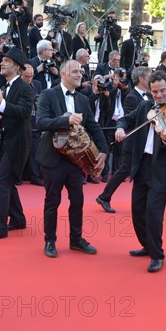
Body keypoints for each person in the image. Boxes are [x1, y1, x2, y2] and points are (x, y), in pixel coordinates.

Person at [115, 71, 166, 273]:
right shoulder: (144, 106)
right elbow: (126, 120)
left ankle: (157, 255)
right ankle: (147, 246)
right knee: (137, 211)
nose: (158, 95)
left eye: (162, 91)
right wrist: (120, 128)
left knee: (153, 214)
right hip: (142, 165)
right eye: (154, 91)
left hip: (161, 169)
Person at [35, 59, 108, 258]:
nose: (80, 75)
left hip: (77, 160)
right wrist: (65, 120)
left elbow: (93, 125)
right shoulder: (48, 94)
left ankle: (76, 239)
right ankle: (50, 241)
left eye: (81, 72)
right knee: (52, 201)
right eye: (75, 71)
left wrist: (104, 149)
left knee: (77, 201)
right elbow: (40, 122)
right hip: (53, 158)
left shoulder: (83, 99)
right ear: (63, 73)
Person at [0, 48, 34, 240]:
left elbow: (24, 112)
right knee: (7, 183)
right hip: (6, 140)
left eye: (7, 61)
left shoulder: (25, 88)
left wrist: (1, 104)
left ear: (17, 67)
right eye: (2, 61)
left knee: (0, 183)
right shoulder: (4, 86)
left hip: (18, 143)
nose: (2, 64)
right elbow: (7, 114)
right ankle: (18, 218)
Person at [96, 66, 152, 214]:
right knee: (123, 171)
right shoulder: (132, 97)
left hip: (145, 142)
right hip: (133, 141)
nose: (152, 80)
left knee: (139, 172)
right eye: (149, 77)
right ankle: (104, 197)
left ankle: (143, 201)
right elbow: (134, 119)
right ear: (141, 79)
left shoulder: (150, 95)